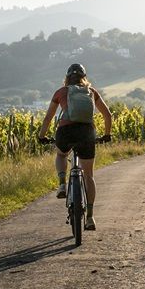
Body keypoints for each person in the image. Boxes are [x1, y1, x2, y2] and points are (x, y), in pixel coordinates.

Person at [37, 63, 112, 231]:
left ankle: (62, 184)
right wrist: (107, 135)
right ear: (84, 77)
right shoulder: (92, 92)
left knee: (62, 155)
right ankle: (91, 218)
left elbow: (48, 118)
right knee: (89, 175)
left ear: (67, 78)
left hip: (66, 132)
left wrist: (41, 136)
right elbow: (107, 115)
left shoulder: (61, 92)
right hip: (86, 133)